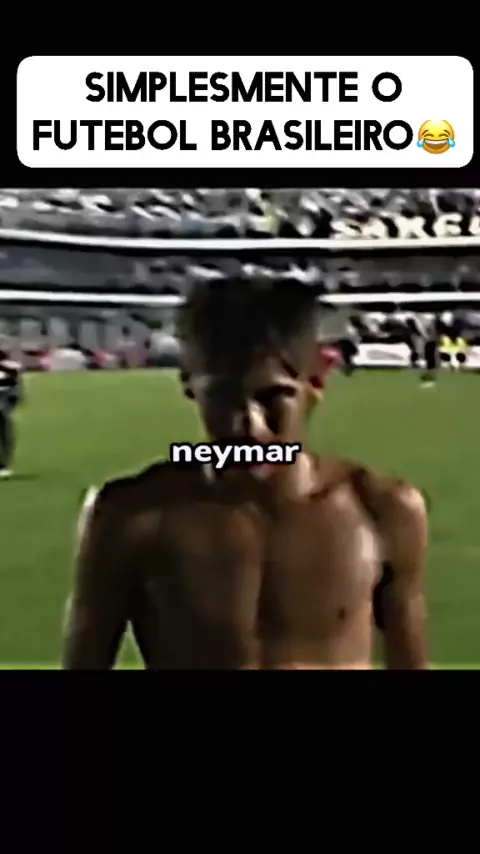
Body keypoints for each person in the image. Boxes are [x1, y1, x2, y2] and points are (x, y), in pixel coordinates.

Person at [62, 279, 428, 670]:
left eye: (273, 398)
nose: (250, 427)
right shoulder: (129, 517)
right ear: (188, 383)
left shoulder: (382, 511)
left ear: (316, 381)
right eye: (223, 398)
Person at [0, 349, 23, 478]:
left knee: (4, 435)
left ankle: (3, 464)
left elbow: (14, 376)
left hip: (3, 402)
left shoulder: (10, 368)